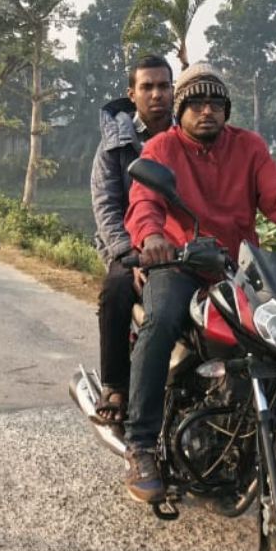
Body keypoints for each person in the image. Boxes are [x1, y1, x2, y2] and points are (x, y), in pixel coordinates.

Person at [122, 63, 276, 503]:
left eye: (216, 104)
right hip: (181, 263)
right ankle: (142, 443)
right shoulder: (162, 149)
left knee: (275, 337)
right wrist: (151, 237)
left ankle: (274, 434)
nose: (207, 111)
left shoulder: (248, 147)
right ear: (181, 109)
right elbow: (144, 199)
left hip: (237, 266)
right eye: (197, 104)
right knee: (161, 320)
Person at [89, 54, 174, 428]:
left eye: (164, 86)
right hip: (130, 245)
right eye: (147, 87)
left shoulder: (187, 133)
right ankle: (115, 385)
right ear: (132, 93)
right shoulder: (115, 143)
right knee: (117, 289)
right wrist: (131, 254)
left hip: (182, 245)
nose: (157, 94)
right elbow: (106, 204)